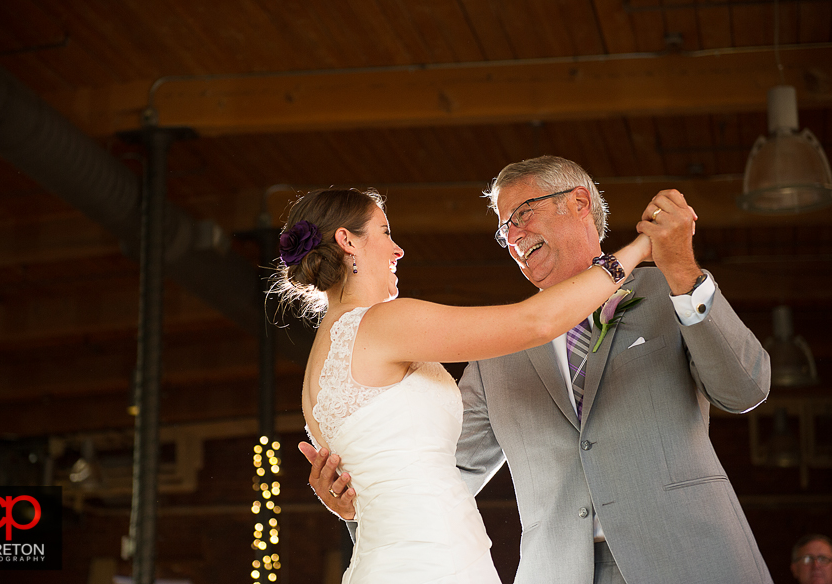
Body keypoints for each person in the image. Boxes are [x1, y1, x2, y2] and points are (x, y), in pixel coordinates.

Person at [304, 156, 774, 584]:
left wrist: (684, 271)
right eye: (502, 229)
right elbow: (439, 466)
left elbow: (745, 389)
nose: (512, 236)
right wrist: (354, 503)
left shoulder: (669, 291)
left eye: (522, 214)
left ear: (578, 202)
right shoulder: (499, 352)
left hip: (687, 560)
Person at [276, 185, 652, 583]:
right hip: (434, 562)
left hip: (389, 560)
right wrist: (638, 250)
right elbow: (535, 322)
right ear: (347, 240)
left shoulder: (322, 357)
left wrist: (348, 507)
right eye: (385, 232)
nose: (397, 250)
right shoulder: (383, 323)